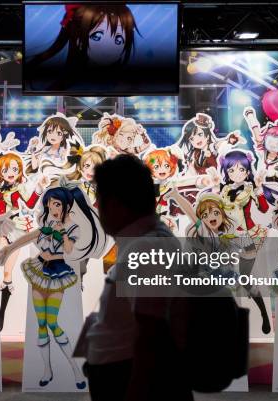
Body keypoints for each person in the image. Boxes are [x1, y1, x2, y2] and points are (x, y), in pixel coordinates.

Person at [81, 155, 193, 401]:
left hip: (125, 379)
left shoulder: (148, 247)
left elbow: (152, 333)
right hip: (120, 372)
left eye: (99, 199)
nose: (97, 208)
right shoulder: (146, 240)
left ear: (115, 204)